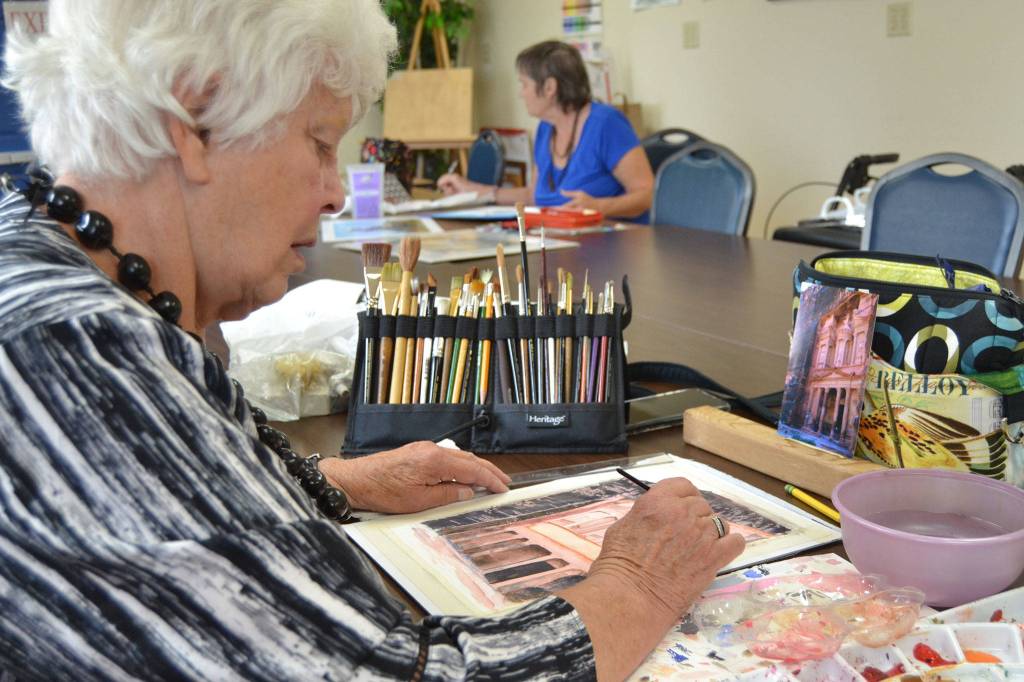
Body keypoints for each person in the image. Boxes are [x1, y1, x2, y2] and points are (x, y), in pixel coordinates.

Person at [0, 2, 743, 680]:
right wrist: (636, 586)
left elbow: (162, 498)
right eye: (321, 142)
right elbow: (384, 671)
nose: (334, 187)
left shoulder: (37, 261)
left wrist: (334, 480)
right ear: (193, 121)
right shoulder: (81, 354)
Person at [438, 40, 655, 222]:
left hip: (611, 252)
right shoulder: (545, 128)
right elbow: (532, 196)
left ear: (550, 88)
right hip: (560, 246)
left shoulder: (606, 124)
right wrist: (472, 191)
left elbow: (648, 195)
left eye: (524, 84)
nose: (520, 94)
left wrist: (600, 206)